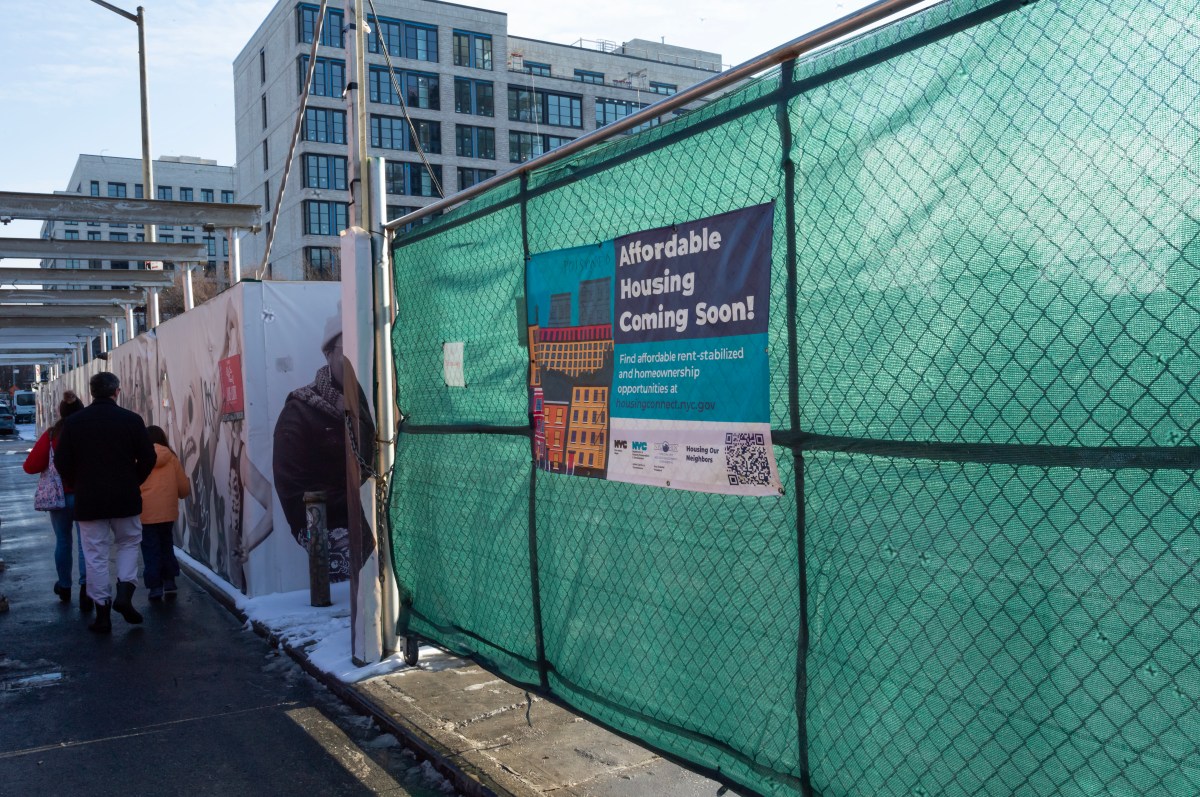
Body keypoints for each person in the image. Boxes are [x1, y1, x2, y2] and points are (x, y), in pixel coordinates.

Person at [272, 313, 375, 582]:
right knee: (356, 585)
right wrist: (346, 506)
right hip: (327, 524)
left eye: (359, 345)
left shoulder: (377, 405)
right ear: (328, 355)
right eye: (345, 348)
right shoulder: (300, 410)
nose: (353, 355)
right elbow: (291, 487)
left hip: (373, 518)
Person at [55, 372, 157, 633]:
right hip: (125, 496)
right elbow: (148, 457)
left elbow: (61, 462)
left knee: (95, 555)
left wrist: (80, 482)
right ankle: (125, 591)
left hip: (89, 499)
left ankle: (102, 613)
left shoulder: (74, 423)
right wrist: (133, 480)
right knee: (128, 543)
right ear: (117, 392)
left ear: (91, 393)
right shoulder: (132, 421)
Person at [22, 390, 91, 611]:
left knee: (63, 541)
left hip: (58, 496)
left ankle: (64, 586)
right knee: (86, 543)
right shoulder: (87, 433)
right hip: (84, 494)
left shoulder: (52, 434)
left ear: (60, 412)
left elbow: (30, 466)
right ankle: (86, 589)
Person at [139, 425, 190, 601]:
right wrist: (182, 494)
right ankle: (169, 580)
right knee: (166, 544)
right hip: (167, 512)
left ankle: (155, 587)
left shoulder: (138, 457)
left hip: (145, 513)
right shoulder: (171, 458)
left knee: (150, 548)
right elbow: (183, 487)